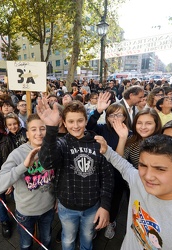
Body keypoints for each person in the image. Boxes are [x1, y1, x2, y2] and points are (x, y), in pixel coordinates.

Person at [37, 99, 114, 250]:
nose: (76, 125)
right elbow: (47, 162)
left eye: (80, 120)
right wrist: (51, 130)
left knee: (87, 237)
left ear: (86, 120)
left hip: (92, 206)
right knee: (68, 239)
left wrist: (105, 206)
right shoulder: (61, 143)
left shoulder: (98, 143)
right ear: (64, 123)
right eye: (71, 121)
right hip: (67, 207)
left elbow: (107, 177)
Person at [0, 114, 55, 250]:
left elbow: (58, 178)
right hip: (26, 212)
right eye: (33, 129)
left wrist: (58, 199)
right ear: (27, 134)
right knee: (26, 244)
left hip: (48, 209)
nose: (38, 133)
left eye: (42, 128)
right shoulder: (17, 154)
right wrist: (23, 166)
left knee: (47, 240)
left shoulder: (52, 150)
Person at [86, 92, 130, 239]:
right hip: (99, 173)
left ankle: (111, 221)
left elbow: (118, 159)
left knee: (115, 200)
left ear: (125, 117)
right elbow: (88, 127)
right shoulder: (102, 128)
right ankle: (97, 223)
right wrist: (98, 111)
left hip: (118, 175)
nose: (115, 118)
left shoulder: (128, 134)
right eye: (111, 115)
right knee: (99, 199)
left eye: (119, 115)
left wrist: (123, 138)